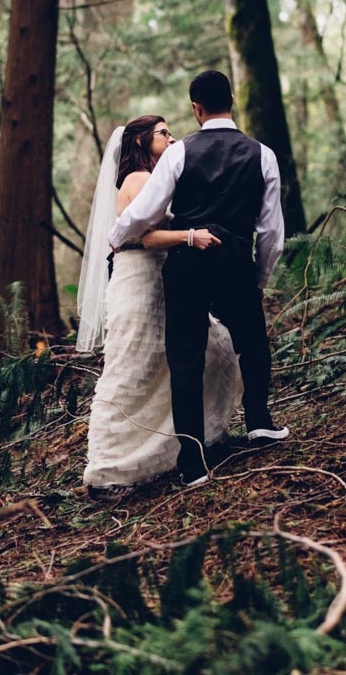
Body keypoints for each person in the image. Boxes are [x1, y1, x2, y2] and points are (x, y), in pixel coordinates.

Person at [109, 72, 288, 488]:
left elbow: (145, 212)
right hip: (236, 261)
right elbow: (273, 231)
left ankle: (192, 461)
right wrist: (258, 276)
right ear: (231, 100)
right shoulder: (263, 154)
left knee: (184, 358)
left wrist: (117, 238)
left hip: (187, 265)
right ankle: (259, 422)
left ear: (196, 108)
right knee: (252, 342)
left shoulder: (179, 152)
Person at [77, 115, 241, 495]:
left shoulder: (151, 179)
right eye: (162, 134)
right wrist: (191, 236)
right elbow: (148, 239)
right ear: (140, 143)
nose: (171, 138)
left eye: (170, 132)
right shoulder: (139, 180)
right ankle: (108, 468)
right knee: (130, 372)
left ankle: (179, 446)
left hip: (157, 280)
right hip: (140, 282)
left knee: (205, 351)